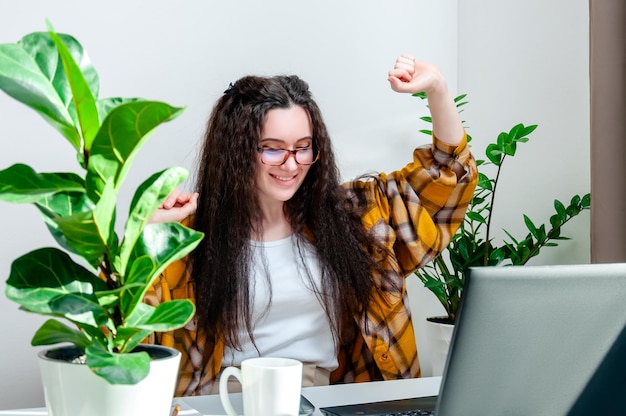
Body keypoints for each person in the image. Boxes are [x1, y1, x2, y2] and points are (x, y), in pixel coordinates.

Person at [146, 54, 478, 396]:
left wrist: (437, 88)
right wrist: (146, 239)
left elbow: (447, 178)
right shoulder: (187, 240)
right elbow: (121, 340)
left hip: (323, 397)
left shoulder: (357, 217)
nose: (291, 164)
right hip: (226, 400)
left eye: (303, 148)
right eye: (273, 150)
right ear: (236, 151)